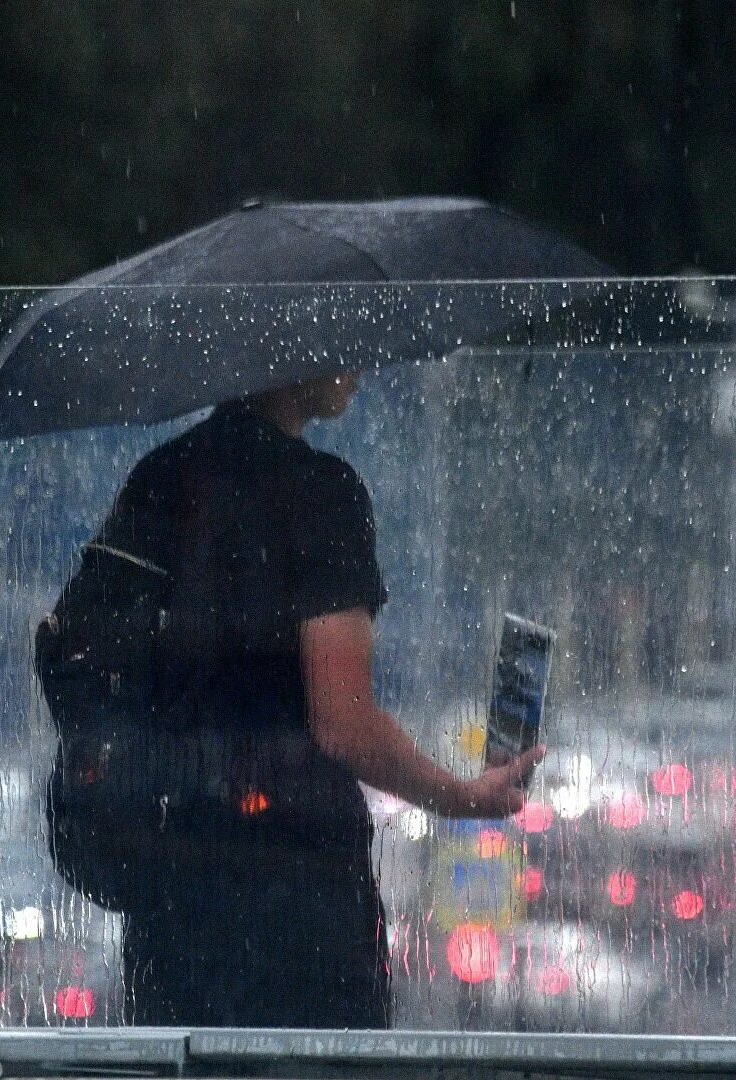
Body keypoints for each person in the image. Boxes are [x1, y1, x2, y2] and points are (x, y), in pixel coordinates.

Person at [91, 370, 543, 1028]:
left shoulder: (160, 477)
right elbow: (343, 725)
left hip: (171, 884)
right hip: (292, 887)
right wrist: (464, 798)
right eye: (338, 338)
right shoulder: (318, 493)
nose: (357, 361)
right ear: (291, 353)